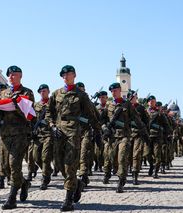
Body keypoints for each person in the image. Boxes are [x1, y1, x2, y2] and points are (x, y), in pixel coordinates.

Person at [46, 65, 101, 211]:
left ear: (74, 75)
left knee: (70, 164)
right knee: (59, 163)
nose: (65, 76)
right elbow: (49, 112)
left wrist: (98, 132)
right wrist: (52, 126)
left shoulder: (81, 95)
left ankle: (68, 200)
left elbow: (91, 114)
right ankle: (77, 183)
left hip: (73, 133)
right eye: (63, 74)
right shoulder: (56, 93)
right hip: (58, 132)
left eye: (68, 74)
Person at [0, 65, 34, 210]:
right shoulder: (4, 93)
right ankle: (24, 183)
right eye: (9, 75)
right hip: (5, 134)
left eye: (14, 74)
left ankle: (12, 198)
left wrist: (17, 103)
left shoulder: (27, 92)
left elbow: (29, 114)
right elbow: (0, 115)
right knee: (6, 167)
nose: (11, 77)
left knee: (14, 164)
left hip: (20, 133)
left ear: (20, 76)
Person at [101, 83, 148, 193]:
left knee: (122, 157)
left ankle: (121, 180)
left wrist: (144, 132)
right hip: (112, 137)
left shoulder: (127, 105)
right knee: (112, 158)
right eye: (112, 91)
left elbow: (137, 119)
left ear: (120, 90)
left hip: (124, 136)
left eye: (116, 90)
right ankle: (116, 172)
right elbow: (102, 120)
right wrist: (104, 128)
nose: (114, 93)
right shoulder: (108, 105)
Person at [32, 84, 53, 190]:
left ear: (48, 91)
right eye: (41, 91)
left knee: (45, 157)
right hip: (38, 134)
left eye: (44, 91)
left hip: (49, 134)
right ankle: (48, 170)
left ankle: (45, 178)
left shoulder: (52, 104)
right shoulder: (36, 105)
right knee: (36, 157)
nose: (42, 93)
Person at [127, 89, 149, 185]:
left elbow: (146, 121)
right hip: (127, 134)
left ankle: (135, 174)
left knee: (136, 154)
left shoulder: (140, 108)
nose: (134, 99)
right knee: (128, 155)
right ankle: (128, 168)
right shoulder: (125, 107)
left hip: (138, 134)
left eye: (135, 97)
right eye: (132, 97)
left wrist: (145, 133)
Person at [146, 95, 171, 178]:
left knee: (157, 155)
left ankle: (155, 171)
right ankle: (151, 166)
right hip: (148, 136)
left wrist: (165, 135)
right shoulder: (145, 112)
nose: (151, 102)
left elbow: (166, 125)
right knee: (147, 154)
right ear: (148, 103)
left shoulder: (160, 113)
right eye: (150, 101)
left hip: (157, 136)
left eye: (153, 101)